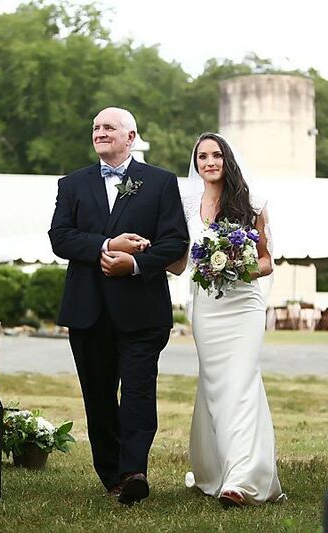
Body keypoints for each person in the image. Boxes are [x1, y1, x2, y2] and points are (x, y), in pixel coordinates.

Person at [48, 107, 188, 504]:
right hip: (88, 309)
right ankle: (111, 474)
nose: (100, 132)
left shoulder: (159, 182)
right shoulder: (72, 184)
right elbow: (60, 237)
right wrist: (107, 247)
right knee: (99, 396)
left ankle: (134, 471)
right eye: (95, 127)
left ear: (131, 137)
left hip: (142, 310)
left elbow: (174, 241)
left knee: (139, 392)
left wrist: (136, 263)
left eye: (109, 127)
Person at [177, 132, 284, 507]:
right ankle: (217, 469)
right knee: (215, 385)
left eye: (216, 155)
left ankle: (241, 479)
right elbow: (182, 261)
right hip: (206, 308)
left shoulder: (250, 202)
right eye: (202, 156)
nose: (209, 162)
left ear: (228, 159)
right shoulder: (188, 207)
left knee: (242, 381)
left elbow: (268, 262)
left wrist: (239, 266)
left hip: (244, 306)